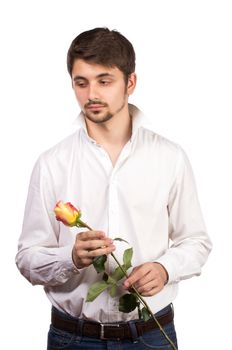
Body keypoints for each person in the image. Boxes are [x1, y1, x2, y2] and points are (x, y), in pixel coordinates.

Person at [16, 27, 212, 350]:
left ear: (130, 83)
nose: (91, 94)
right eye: (82, 82)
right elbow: (27, 258)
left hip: (151, 336)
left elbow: (197, 242)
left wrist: (166, 268)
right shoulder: (52, 163)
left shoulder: (170, 157)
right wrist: (71, 257)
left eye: (104, 81)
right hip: (73, 339)